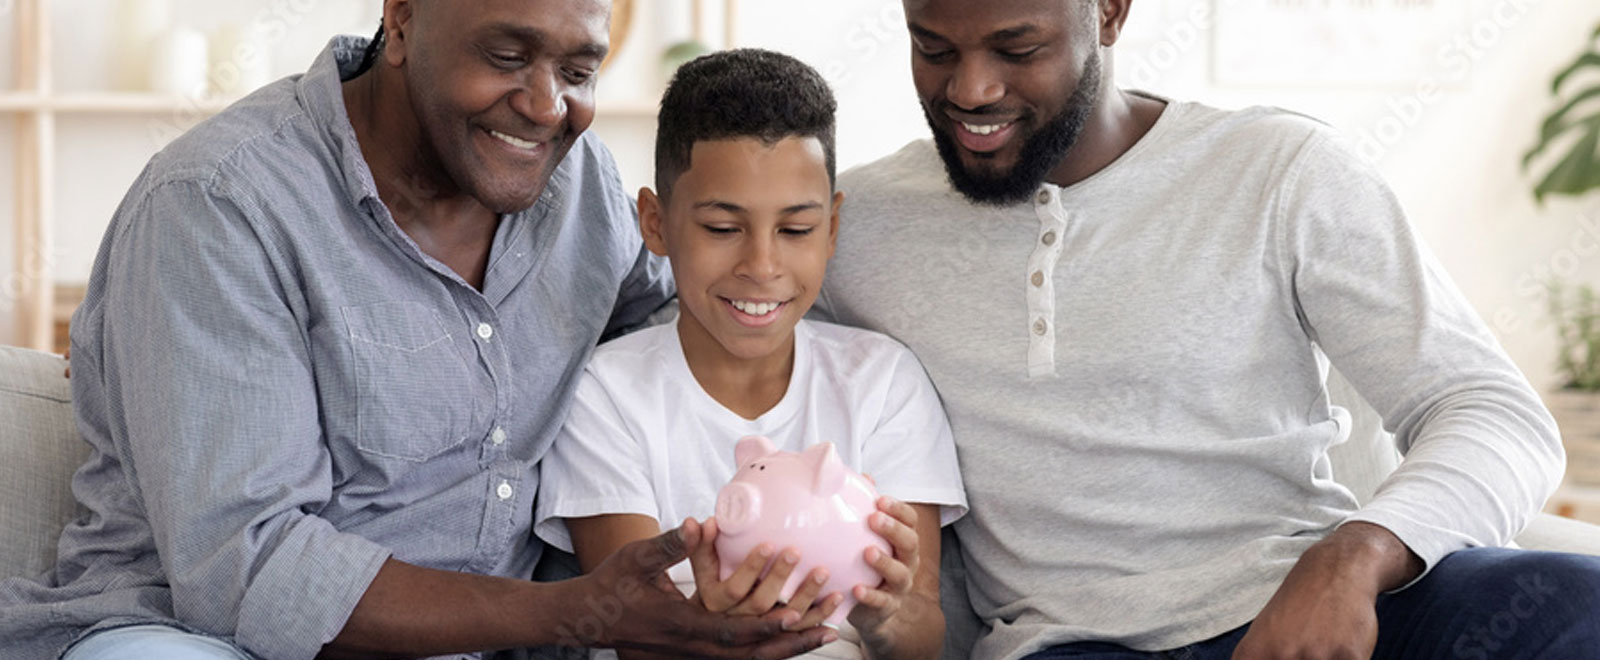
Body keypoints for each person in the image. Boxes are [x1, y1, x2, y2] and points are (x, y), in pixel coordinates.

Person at [0, 2, 834, 659]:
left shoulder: (579, 191)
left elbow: (686, 324)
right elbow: (244, 569)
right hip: (197, 637)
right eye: (507, 57)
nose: (546, 106)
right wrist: (571, 613)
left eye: (579, 69)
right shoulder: (217, 207)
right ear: (401, 18)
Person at [816, 0, 1600, 658]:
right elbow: (701, 302)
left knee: (1576, 602)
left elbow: (1496, 415)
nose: (971, 88)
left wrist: (1354, 557)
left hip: (1314, 609)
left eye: (1017, 49)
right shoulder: (847, 221)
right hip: (1074, 643)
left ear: (1110, 11)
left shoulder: (1279, 170)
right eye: (933, 48)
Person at [533, 49, 968, 660]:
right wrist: (709, 626)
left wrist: (886, 617)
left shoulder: (883, 384)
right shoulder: (606, 396)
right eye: (721, 228)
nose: (761, 267)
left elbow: (925, 638)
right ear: (655, 224)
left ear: (833, 229)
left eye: (795, 231)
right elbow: (634, 631)